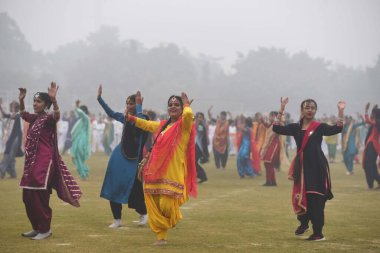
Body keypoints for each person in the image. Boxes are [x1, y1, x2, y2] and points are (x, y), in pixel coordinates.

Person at [126, 92, 197, 245]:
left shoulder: (184, 126)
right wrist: (131, 118)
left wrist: (187, 106)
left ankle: (172, 219)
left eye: (176, 105)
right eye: (170, 105)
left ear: (182, 108)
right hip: (155, 171)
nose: (172, 107)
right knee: (155, 204)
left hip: (173, 171)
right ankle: (161, 238)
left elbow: (189, 116)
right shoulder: (164, 125)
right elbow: (147, 125)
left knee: (166, 204)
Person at [273, 97, 345, 241]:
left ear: (315, 110)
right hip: (302, 169)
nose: (310, 110)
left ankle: (318, 232)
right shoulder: (295, 127)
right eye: (307, 107)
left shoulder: (319, 127)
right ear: (302, 110)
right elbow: (276, 128)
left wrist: (340, 111)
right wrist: (281, 109)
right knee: (301, 195)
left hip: (317, 167)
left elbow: (337, 128)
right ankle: (304, 223)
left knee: (316, 198)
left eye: (312, 108)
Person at [18, 83, 82, 240]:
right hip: (31, 163)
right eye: (34, 101)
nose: (35, 104)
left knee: (40, 195)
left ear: (45, 104)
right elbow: (22, 113)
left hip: (45, 163)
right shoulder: (34, 118)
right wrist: (21, 100)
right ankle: (37, 227)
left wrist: (54, 100)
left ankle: (45, 229)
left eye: (38, 101)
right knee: (27, 197)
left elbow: (57, 115)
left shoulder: (48, 119)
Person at [97, 85, 149, 228]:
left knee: (134, 188)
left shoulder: (143, 118)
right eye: (127, 103)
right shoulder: (125, 118)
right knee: (113, 184)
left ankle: (143, 213)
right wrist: (99, 99)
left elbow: (139, 124)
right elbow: (111, 113)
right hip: (119, 156)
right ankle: (117, 219)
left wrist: (139, 107)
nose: (128, 105)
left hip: (134, 160)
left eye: (131, 103)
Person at [0, 100, 23, 178]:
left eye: (13, 106)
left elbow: (12, 116)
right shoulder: (12, 115)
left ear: (15, 108)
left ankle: (1, 172)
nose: (12, 107)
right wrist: (0, 107)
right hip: (11, 139)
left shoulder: (18, 115)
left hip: (15, 139)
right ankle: (13, 174)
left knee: (8, 156)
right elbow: (5, 115)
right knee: (10, 156)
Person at [70, 100, 91, 180]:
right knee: (75, 158)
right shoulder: (82, 120)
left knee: (77, 157)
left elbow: (80, 113)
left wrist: (77, 106)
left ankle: (83, 174)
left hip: (81, 140)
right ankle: (84, 171)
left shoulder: (85, 118)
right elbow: (79, 113)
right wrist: (77, 107)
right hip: (78, 140)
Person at [261, 111, 281, 186]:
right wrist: (262, 120)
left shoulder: (278, 124)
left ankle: (271, 181)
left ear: (276, 117)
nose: (270, 117)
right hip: (270, 145)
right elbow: (267, 125)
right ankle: (270, 181)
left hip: (274, 145)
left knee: (269, 162)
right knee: (267, 163)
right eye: (270, 116)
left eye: (272, 116)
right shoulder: (271, 125)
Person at [363, 103, 380, 189]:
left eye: (373, 113)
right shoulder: (377, 122)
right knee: (370, 165)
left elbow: (368, 120)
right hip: (372, 145)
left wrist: (366, 110)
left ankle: (371, 184)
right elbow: (371, 119)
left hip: (373, 145)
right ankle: (375, 182)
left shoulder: (377, 122)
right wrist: (372, 109)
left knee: (369, 165)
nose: (371, 115)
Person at [195, 112, 209, 183]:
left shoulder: (201, 126)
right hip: (194, 146)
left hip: (198, 148)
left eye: (200, 117)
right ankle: (202, 176)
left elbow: (196, 129)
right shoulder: (200, 125)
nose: (199, 118)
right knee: (193, 163)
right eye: (198, 117)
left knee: (193, 163)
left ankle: (202, 176)